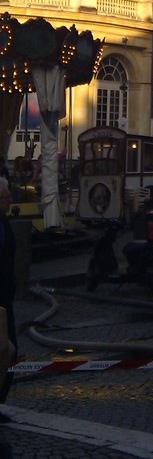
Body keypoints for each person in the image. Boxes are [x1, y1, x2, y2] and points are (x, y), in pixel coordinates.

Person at [0, 177, 16, 422]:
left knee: (9, 349)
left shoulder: (4, 221)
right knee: (5, 349)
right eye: (6, 197)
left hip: (5, 295)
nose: (11, 200)